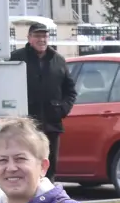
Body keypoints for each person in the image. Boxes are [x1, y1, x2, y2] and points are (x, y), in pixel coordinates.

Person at [8, 23, 76, 178]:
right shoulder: (17, 58)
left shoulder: (58, 60)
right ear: (29, 38)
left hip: (52, 124)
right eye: (37, 36)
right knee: (26, 164)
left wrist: (62, 109)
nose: (42, 39)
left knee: (48, 166)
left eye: (44, 36)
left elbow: (70, 90)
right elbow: (6, 86)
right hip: (25, 124)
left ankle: (48, 199)